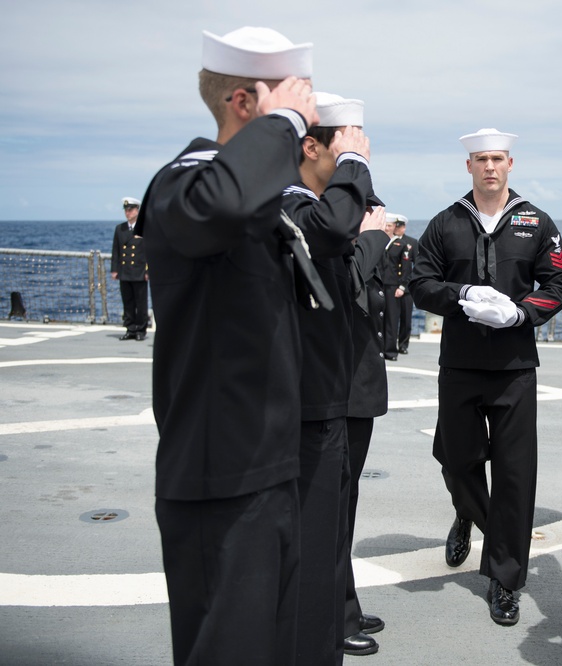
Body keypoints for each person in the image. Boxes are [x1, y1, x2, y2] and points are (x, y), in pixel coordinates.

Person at [136, 26, 318, 666]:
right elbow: (222, 203)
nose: (307, 122)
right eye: (294, 104)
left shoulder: (250, 198)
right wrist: (286, 123)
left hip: (265, 464)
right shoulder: (185, 185)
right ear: (246, 104)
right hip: (220, 476)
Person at [409, 128, 562, 626]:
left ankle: (505, 579)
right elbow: (419, 282)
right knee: (456, 462)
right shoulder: (445, 222)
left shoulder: (536, 221)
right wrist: (460, 296)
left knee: (516, 477)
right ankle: (467, 510)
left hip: (515, 369)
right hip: (459, 364)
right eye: (481, 159)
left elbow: (557, 284)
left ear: (510, 163)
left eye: (497, 158)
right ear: (469, 166)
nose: (490, 167)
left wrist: (520, 315)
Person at [280, 92, 381, 663]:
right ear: (312, 146)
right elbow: (335, 230)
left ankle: (329, 627)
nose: (360, 155)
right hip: (307, 405)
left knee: (326, 533)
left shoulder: (312, 207)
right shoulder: (294, 204)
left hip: (330, 396)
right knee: (312, 545)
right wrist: (355, 168)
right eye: (348, 143)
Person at [344, 208, 393, 655]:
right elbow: (346, 285)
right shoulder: (337, 242)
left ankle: (344, 602)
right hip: (335, 393)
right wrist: (369, 239)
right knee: (332, 507)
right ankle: (334, 615)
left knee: (344, 502)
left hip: (353, 393)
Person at [110, 197, 148, 341]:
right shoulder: (120, 229)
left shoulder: (144, 227)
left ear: (137, 210)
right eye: (126, 210)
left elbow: (150, 251)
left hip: (139, 271)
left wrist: (148, 270)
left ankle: (140, 330)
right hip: (125, 271)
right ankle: (130, 328)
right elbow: (116, 251)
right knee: (128, 302)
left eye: (130, 210)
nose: (128, 213)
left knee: (140, 303)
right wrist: (114, 269)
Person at [382, 214, 417, 358]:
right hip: (385, 285)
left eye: (392, 226)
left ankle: (399, 346)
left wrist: (404, 285)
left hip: (401, 286)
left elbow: (411, 266)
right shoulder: (383, 242)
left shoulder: (407, 244)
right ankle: (385, 347)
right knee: (387, 317)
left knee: (402, 318)